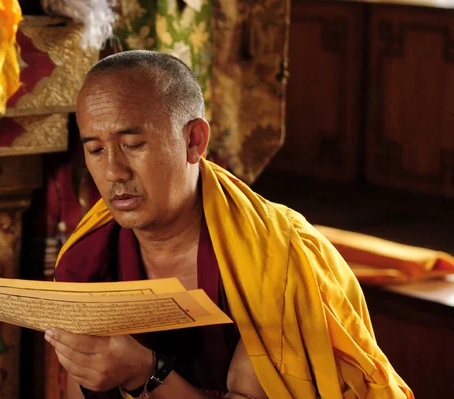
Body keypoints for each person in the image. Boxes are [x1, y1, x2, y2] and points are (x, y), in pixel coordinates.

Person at [45, 50, 413, 399]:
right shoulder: (88, 255)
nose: (112, 172)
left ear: (194, 140)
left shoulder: (272, 258)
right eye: (95, 150)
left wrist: (146, 373)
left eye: (133, 145)